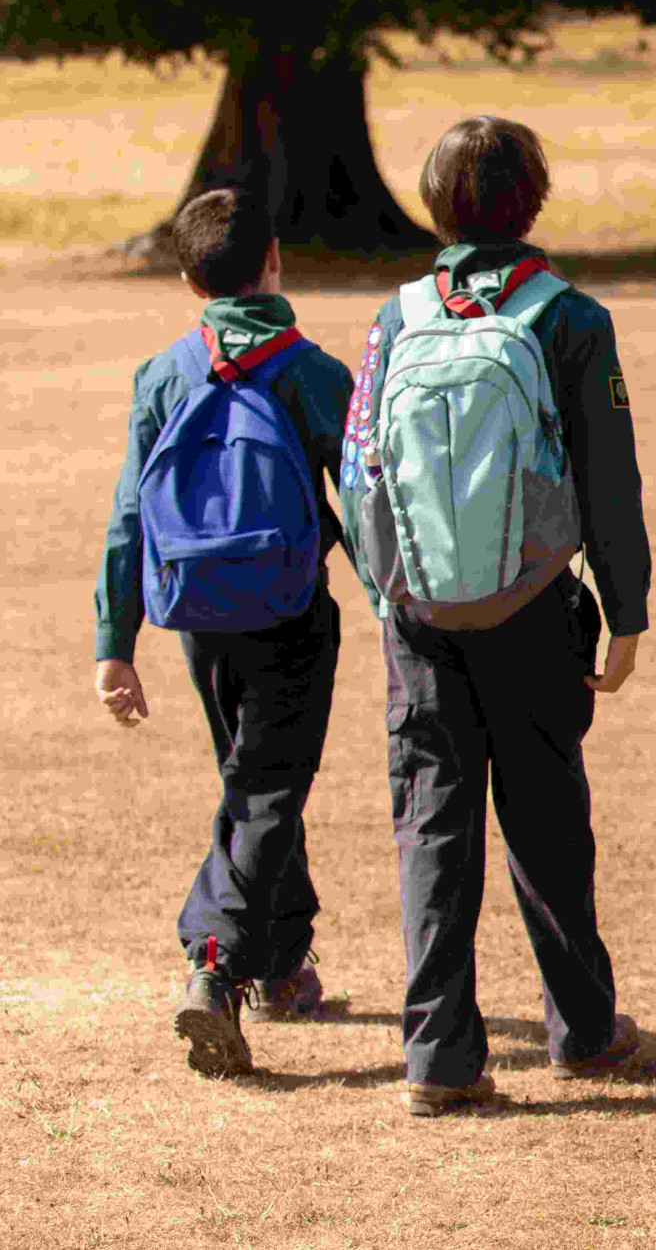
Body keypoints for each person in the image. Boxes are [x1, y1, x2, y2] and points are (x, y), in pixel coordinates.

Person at [344, 116, 650, 1115]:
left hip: (419, 610)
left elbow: (358, 473)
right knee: (548, 816)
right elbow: (609, 476)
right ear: (535, 197)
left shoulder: (393, 319)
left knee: (433, 821)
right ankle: (584, 1030)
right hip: (530, 608)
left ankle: (438, 1051)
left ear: (436, 203)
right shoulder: (570, 318)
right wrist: (627, 606)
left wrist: (392, 581)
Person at [92, 187, 353, 1077]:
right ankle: (215, 962)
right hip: (288, 610)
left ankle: (282, 964)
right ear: (274, 260)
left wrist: (113, 643)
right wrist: (408, 607)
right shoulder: (313, 371)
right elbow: (364, 507)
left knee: (256, 782)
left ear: (186, 279)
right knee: (269, 787)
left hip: (197, 612)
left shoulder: (164, 373)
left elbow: (131, 514)